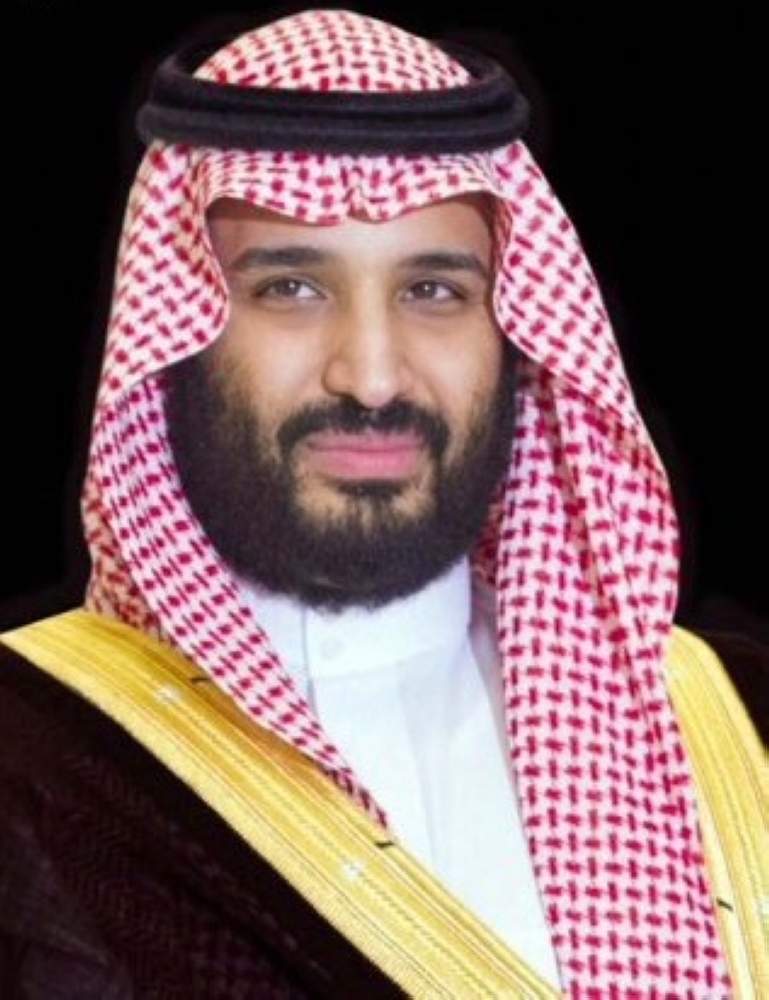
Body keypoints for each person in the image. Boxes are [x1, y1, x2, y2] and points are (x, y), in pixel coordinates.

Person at [0, 7, 765, 997]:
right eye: (290, 288)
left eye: (433, 291)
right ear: (177, 334)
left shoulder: (732, 721)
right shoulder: (35, 763)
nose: (370, 375)